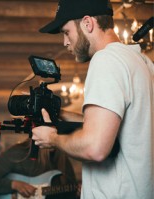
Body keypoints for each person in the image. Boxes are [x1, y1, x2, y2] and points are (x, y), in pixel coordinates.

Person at [31, 0, 154, 199]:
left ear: (87, 23)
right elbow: (118, 123)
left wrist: (52, 138)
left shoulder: (105, 60)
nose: (65, 42)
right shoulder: (141, 61)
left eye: (66, 32)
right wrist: (61, 115)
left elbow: (94, 147)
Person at [0, 138, 80, 199]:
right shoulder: (18, 153)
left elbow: (67, 193)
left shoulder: (62, 159)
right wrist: (14, 184)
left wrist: (78, 192)